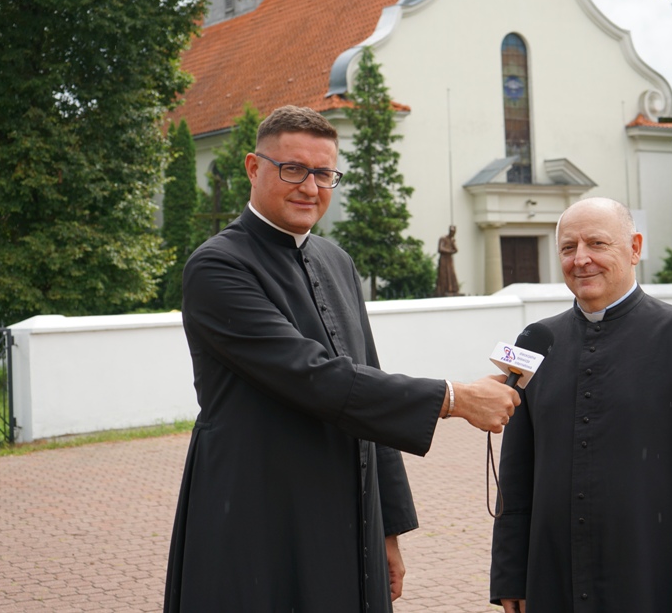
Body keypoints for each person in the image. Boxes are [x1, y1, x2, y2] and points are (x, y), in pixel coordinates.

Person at [164, 105, 520, 612]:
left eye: (323, 173)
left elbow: (367, 381)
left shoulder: (337, 261)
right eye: (293, 169)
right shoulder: (217, 266)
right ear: (253, 168)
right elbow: (313, 377)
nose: (310, 187)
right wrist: (454, 398)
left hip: (350, 513)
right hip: (257, 510)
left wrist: (389, 529)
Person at [490, 197, 672, 613]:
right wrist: (509, 574)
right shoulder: (538, 342)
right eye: (568, 248)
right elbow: (516, 474)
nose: (581, 259)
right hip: (554, 578)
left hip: (654, 576)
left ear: (634, 248)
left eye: (597, 243)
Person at [436, 225, 460, 296]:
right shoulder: (443, 238)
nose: (452, 233)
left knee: (451, 273)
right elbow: (440, 249)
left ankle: (451, 288)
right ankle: (443, 289)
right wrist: (449, 251)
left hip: (449, 259)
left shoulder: (452, 240)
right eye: (451, 232)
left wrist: (453, 242)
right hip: (444, 259)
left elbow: (456, 250)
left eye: (454, 232)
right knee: (443, 274)